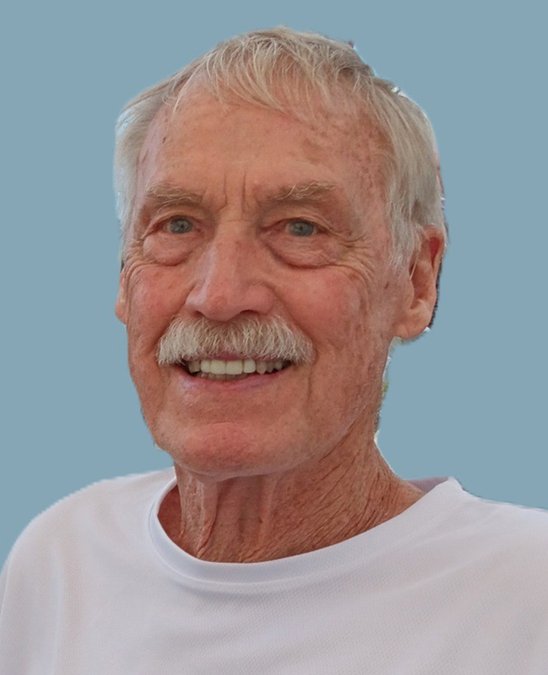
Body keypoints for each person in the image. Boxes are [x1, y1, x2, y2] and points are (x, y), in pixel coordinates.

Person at [1, 27, 547, 674]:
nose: (219, 295)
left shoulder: (524, 598)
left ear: (417, 280)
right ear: (124, 278)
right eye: (178, 225)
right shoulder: (60, 561)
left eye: (300, 228)